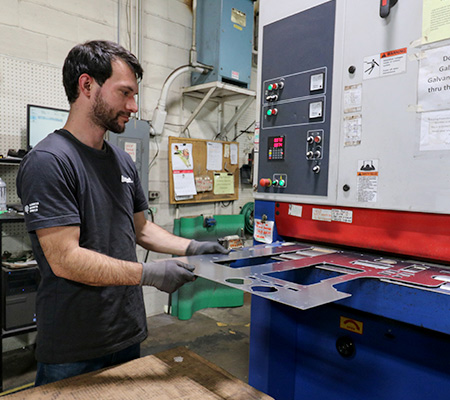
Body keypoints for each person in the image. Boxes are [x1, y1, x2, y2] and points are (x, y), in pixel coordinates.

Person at [16, 40, 228, 386]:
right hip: (75, 344)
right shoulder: (49, 162)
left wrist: (191, 247)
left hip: (126, 330)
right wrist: (150, 273)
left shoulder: (122, 160)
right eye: (125, 93)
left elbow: (141, 230)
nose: (133, 106)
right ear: (87, 86)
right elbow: (65, 258)